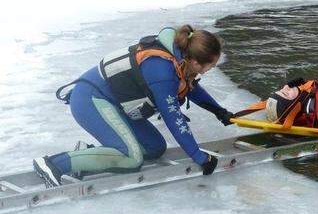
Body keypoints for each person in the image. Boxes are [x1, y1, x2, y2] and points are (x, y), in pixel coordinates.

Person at [32, 25, 236, 187]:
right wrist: (199, 157)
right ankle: (53, 164)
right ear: (195, 62)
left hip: (117, 106)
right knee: (132, 158)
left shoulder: (179, 60)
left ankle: (86, 154)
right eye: (211, 65)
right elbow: (172, 117)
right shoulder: (162, 70)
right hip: (92, 100)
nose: (211, 69)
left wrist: (219, 111)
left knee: (154, 147)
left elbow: (188, 87)